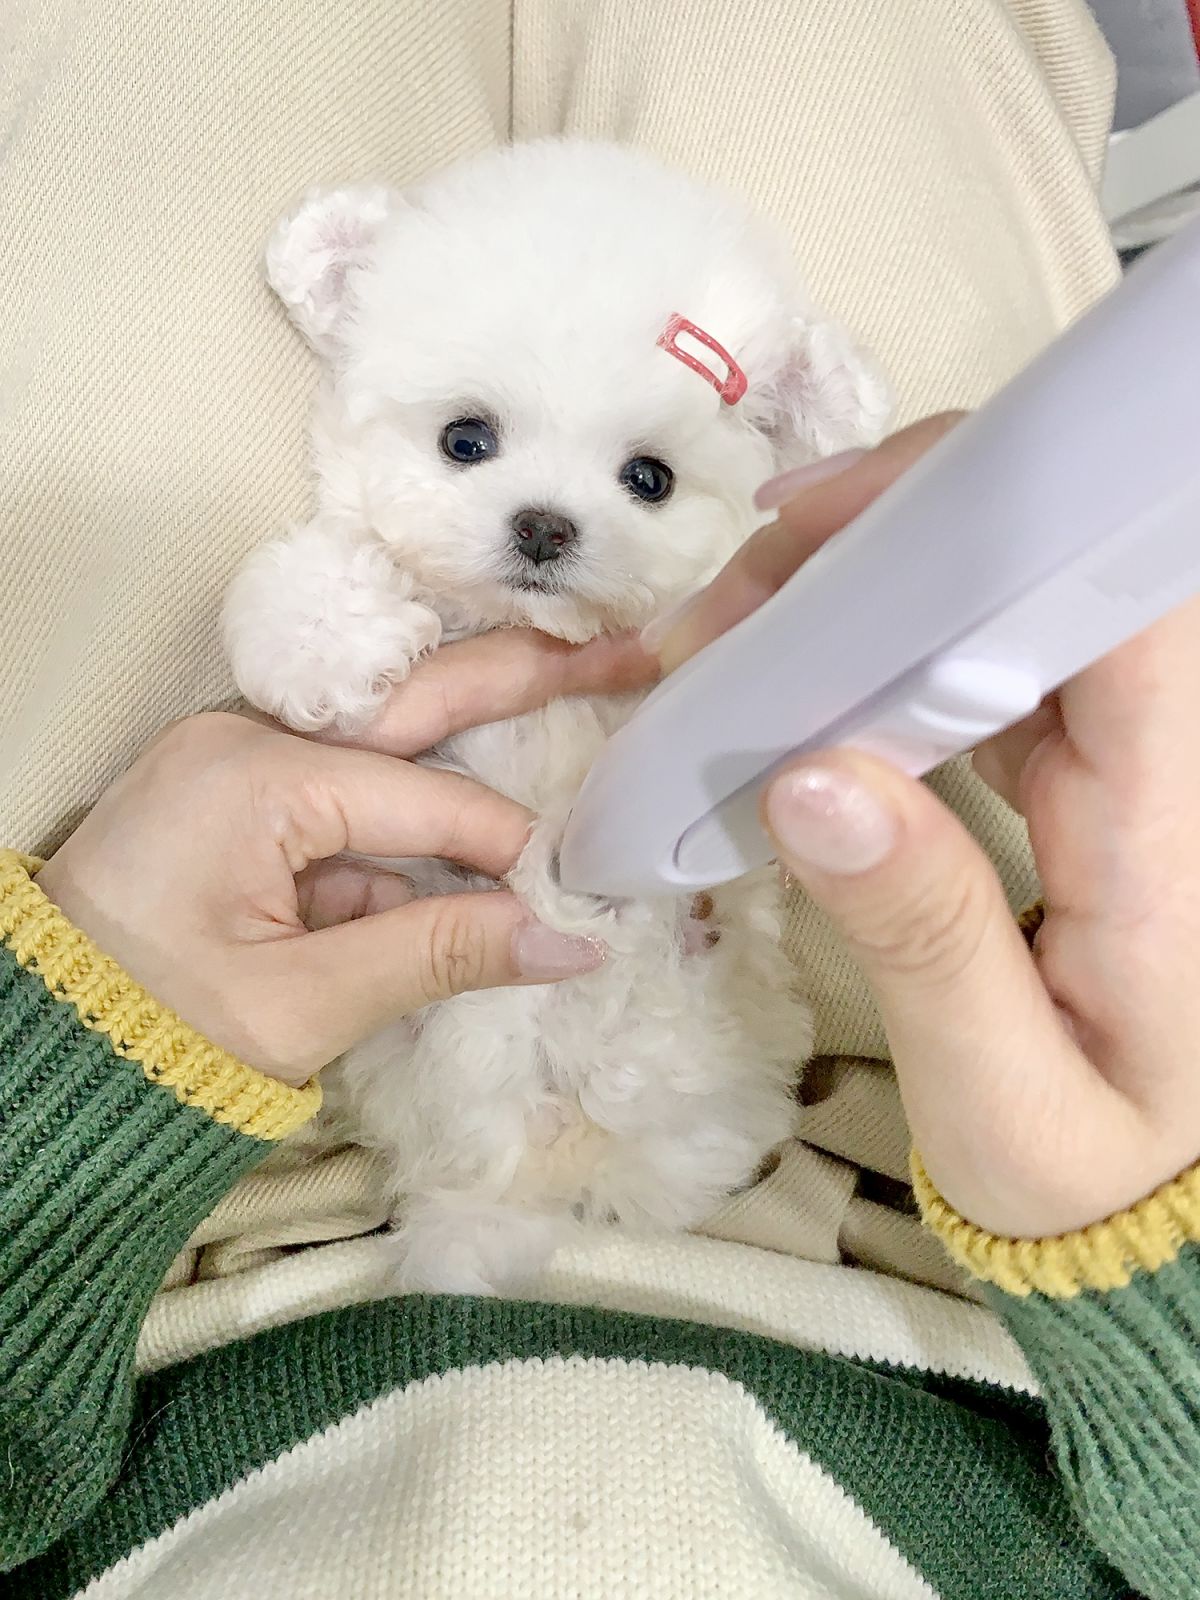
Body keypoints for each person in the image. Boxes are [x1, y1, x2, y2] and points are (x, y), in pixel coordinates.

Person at [6, 1, 1193, 1596]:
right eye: (477, 439)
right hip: (909, 1217)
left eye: (638, 476)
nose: (552, 523)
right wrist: (1148, 1271)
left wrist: (61, 1107)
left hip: (181, 1217)